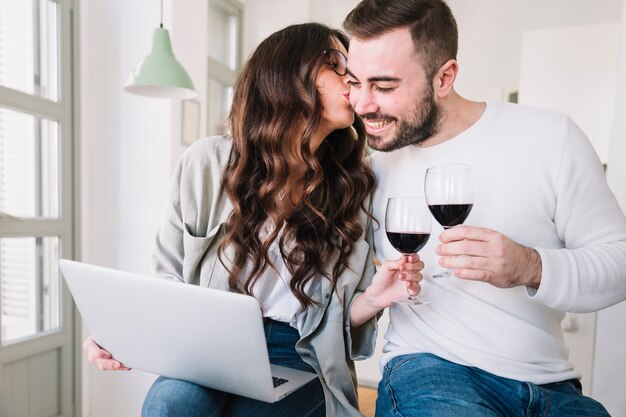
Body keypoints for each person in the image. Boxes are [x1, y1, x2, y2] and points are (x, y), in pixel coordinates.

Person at [83, 22, 424, 417]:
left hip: (298, 350)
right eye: (336, 63)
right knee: (171, 405)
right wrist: (121, 335)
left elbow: (339, 328)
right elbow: (168, 281)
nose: (352, 77)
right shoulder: (207, 164)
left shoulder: (356, 187)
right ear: (286, 76)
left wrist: (374, 299)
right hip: (206, 345)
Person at [342, 1, 626, 416]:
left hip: (552, 383)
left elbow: (619, 263)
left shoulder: (550, 138)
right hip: (430, 371)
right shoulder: (369, 171)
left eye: (384, 87)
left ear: (445, 77)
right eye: (355, 82)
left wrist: (530, 266)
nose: (363, 104)